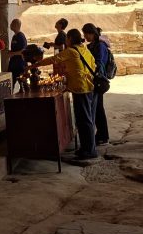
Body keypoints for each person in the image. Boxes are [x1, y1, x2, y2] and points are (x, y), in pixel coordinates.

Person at [35, 28, 97, 160]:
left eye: (67, 39)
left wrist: (35, 65)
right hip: (88, 87)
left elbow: (54, 59)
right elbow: (93, 64)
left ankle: (90, 150)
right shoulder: (84, 49)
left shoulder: (71, 51)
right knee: (84, 119)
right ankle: (86, 147)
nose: (66, 41)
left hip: (81, 89)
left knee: (84, 120)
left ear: (69, 39)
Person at [82, 23, 111, 146]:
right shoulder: (92, 45)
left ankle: (103, 136)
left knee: (98, 108)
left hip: (99, 80)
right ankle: (100, 135)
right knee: (97, 108)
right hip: (94, 80)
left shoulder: (100, 46)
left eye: (86, 34)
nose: (85, 37)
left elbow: (99, 63)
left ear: (92, 33)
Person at [7, 18, 27, 87]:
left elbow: (23, 51)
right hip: (13, 64)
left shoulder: (21, 36)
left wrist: (13, 53)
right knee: (11, 83)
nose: (10, 25)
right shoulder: (14, 36)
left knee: (23, 84)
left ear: (16, 25)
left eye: (12, 23)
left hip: (20, 64)